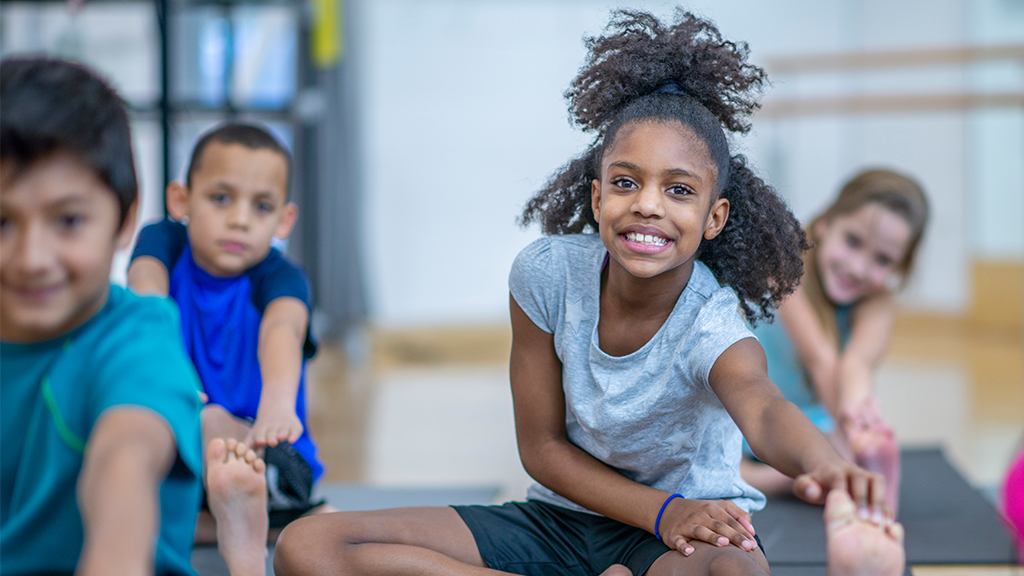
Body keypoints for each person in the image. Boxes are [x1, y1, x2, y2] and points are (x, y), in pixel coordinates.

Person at [273, 9, 903, 576]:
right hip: (563, 519)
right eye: (627, 182)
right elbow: (541, 448)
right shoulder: (546, 275)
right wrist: (656, 511)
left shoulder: (714, 323)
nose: (648, 206)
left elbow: (765, 410)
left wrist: (827, 466)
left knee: (735, 574)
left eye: (679, 190)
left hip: (684, 539)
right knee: (308, 547)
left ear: (714, 218)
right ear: (598, 197)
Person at [0, 56, 203, 575]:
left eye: (68, 220)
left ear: (124, 220)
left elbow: (123, 465)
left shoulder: (137, 341)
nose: (31, 259)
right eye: (2, 222)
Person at [127, 122, 327, 576]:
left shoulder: (280, 277)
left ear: (283, 220)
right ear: (181, 200)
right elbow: (145, 289)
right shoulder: (165, 241)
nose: (239, 219)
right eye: (221, 198)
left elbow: (283, 329)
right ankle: (236, 519)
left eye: (261, 207)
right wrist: (165, 365)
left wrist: (277, 402)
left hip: (265, 451)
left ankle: (239, 525)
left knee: (219, 430)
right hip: (178, 441)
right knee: (141, 440)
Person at [740, 170, 929, 513]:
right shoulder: (785, 270)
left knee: (833, 451)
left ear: (900, 268)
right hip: (739, 410)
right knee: (701, 465)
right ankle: (774, 479)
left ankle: (795, 475)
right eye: (853, 242)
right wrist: (852, 464)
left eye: (882, 260)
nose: (858, 268)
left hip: (803, 416)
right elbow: (821, 359)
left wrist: (860, 430)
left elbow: (855, 366)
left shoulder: (878, 303)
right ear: (826, 224)